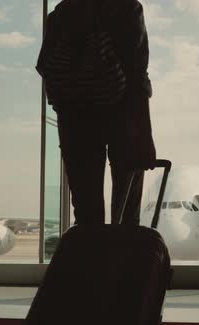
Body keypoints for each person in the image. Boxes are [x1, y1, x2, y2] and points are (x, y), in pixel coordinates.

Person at [37, 0, 156, 226]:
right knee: (127, 219)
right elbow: (137, 77)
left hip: (75, 123)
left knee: (87, 216)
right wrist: (145, 136)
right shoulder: (126, 9)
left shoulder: (60, 16)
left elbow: (46, 69)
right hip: (123, 120)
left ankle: (90, 259)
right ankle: (122, 261)